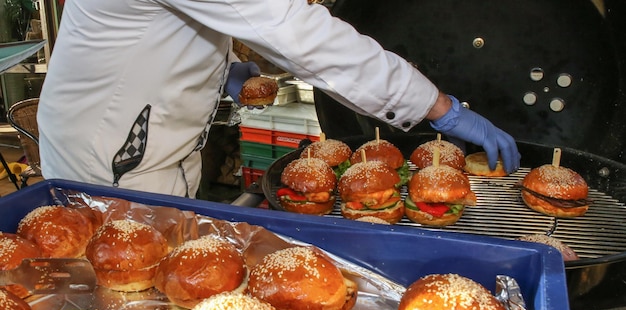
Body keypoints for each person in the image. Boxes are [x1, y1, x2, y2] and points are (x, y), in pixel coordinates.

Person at [37, 0, 520, 198]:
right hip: (109, 153)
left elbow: (153, 32)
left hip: (155, 141)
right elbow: (298, 34)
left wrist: (219, 71)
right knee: (125, 295)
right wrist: (436, 107)